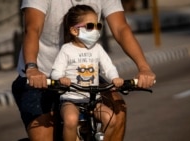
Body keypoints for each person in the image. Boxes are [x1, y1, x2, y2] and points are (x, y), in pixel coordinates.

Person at [12, 0, 156, 141]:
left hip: (82, 75)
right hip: (41, 76)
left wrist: (144, 68)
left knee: (118, 111)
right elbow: (32, 29)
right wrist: (32, 68)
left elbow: (121, 28)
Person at [50, 5, 124, 141]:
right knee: (71, 120)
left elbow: (109, 67)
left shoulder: (97, 49)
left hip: (93, 100)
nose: (95, 30)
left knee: (111, 118)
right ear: (74, 30)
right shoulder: (67, 49)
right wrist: (61, 78)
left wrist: (115, 78)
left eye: (98, 26)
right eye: (90, 26)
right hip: (71, 99)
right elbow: (55, 72)